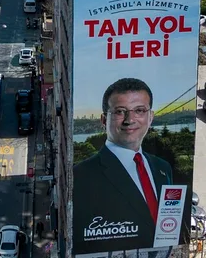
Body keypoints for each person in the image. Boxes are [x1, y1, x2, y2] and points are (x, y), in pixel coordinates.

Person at [72, 78, 177, 255]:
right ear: (104, 119)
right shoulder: (82, 175)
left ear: (150, 117)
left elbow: (169, 222)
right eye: (120, 111)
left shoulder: (163, 168)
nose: (130, 120)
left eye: (139, 110)